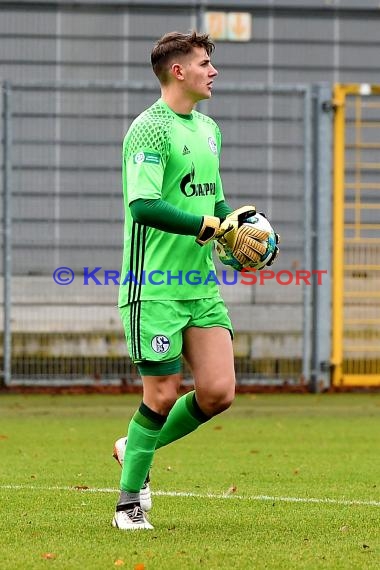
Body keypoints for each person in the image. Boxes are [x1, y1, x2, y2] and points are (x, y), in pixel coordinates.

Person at [112, 30, 271, 531]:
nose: (213, 71)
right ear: (178, 71)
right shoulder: (149, 130)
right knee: (159, 396)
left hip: (199, 285)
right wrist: (202, 225)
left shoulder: (208, 129)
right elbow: (143, 205)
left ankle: (132, 446)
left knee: (218, 392)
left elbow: (215, 202)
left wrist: (236, 230)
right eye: (205, 62)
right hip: (153, 286)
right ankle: (128, 504)